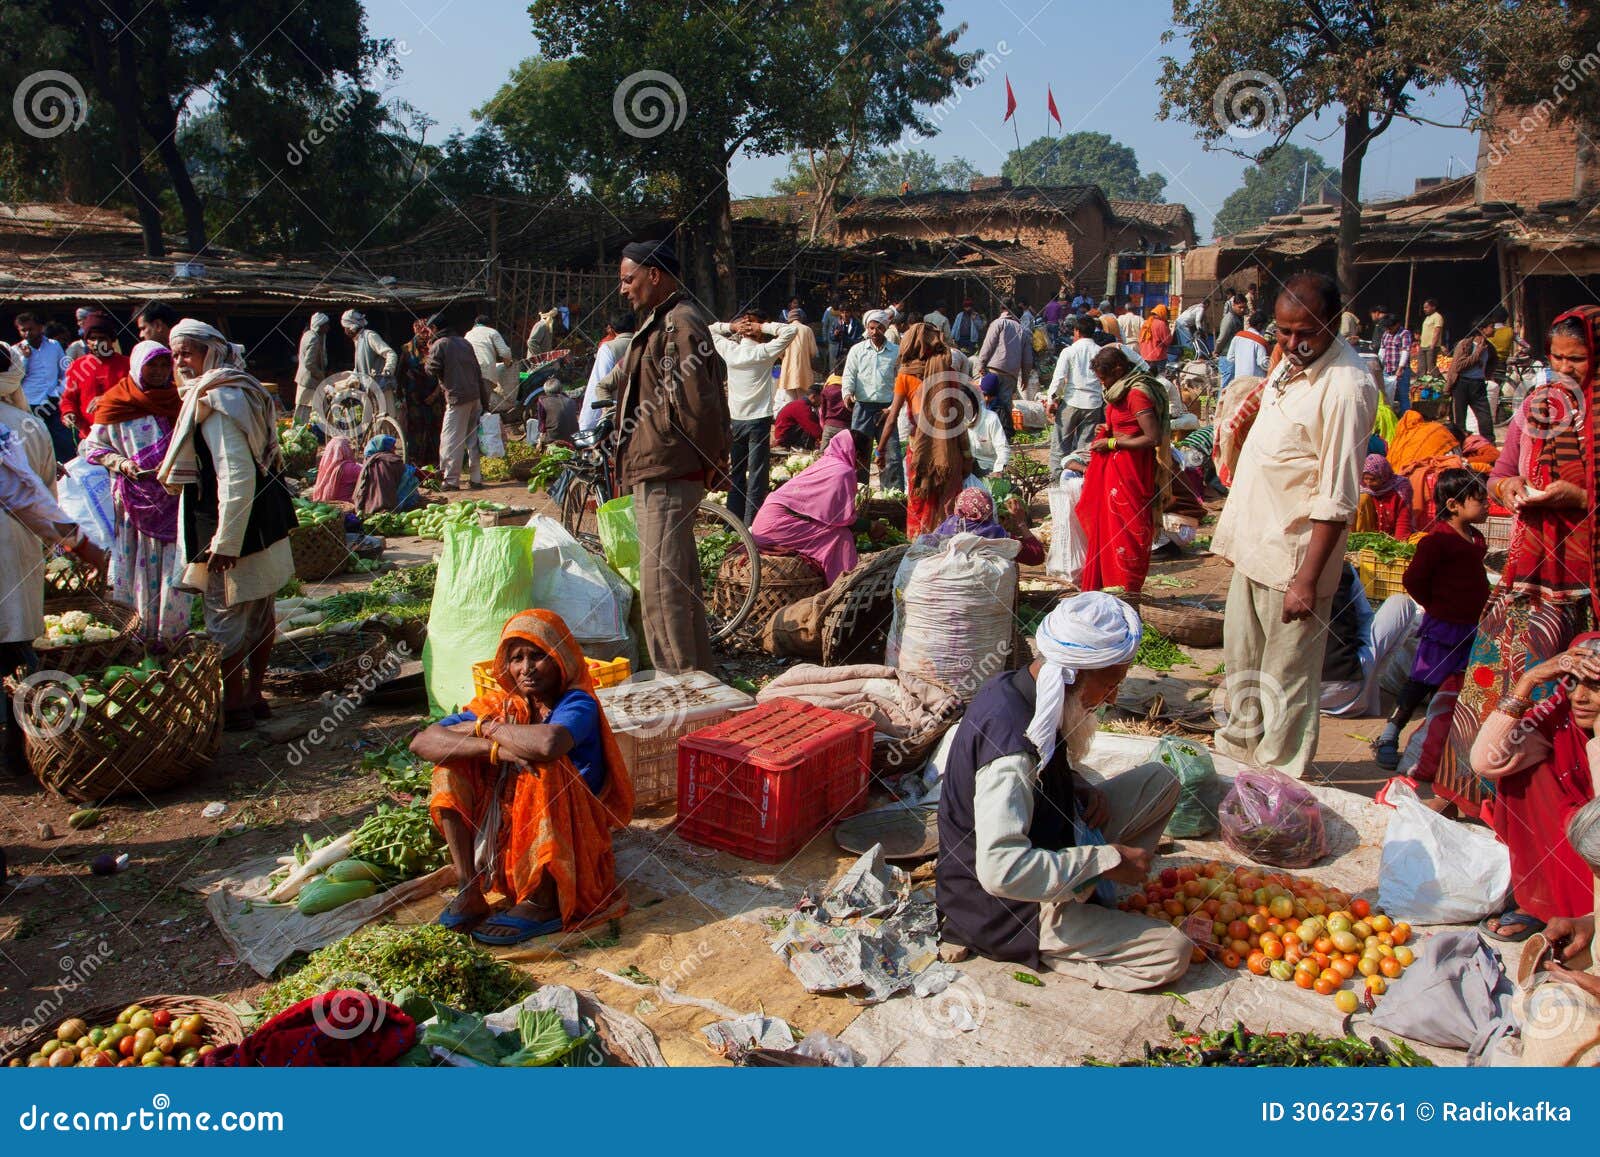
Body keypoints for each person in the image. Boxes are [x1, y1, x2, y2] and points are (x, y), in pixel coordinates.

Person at [935, 593, 1188, 989]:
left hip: (1052, 838)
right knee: (1171, 952)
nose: (1114, 698)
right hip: (1007, 906)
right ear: (1075, 674)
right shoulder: (1011, 754)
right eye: (1111, 684)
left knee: (1160, 780)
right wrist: (1104, 860)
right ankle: (1065, 938)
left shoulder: (1024, 685)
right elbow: (1001, 872)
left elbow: (1048, 757)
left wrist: (1076, 784)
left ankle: (1096, 901)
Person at [1431, 307, 1600, 817]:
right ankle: (1471, 791)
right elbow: (1502, 471)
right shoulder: (1536, 406)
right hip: (1527, 575)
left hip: (1584, 580)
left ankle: (1553, 807)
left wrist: (1581, 496)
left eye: (1578, 359)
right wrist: (1509, 487)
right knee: (1494, 676)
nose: (1564, 369)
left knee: (1571, 692)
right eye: (1556, 357)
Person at [1211, 271, 1378, 778]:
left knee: (1285, 678)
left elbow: (1337, 495)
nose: (1289, 342)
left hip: (1294, 559)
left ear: (1332, 323)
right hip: (1255, 546)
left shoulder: (1347, 386)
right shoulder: (1289, 364)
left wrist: (1307, 579)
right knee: (1242, 664)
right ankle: (1238, 753)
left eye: (1302, 332)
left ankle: (1278, 774)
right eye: (1282, 332)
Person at [413, 610, 634, 944]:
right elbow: (423, 740)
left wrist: (487, 728)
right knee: (450, 767)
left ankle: (542, 902)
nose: (526, 669)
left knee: (543, 769)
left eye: (538, 656)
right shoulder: (503, 704)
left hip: (571, 834)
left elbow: (548, 743)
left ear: (561, 658)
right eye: (516, 658)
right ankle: (469, 888)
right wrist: (494, 749)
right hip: (512, 828)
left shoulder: (577, 702)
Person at [157, 319, 296, 731]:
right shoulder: (235, 390)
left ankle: (235, 702)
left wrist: (226, 541)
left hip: (236, 526)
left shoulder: (218, 402)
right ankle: (254, 696)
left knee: (227, 613)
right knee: (257, 607)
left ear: (210, 353)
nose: (180, 361)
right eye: (176, 353)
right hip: (261, 520)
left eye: (188, 352)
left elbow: (236, 475)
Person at [609, 237, 728, 675]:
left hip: (668, 470)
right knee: (678, 582)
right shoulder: (666, 322)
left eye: (629, 279)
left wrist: (711, 461)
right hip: (658, 467)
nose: (624, 289)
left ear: (653, 275)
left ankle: (679, 688)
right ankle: (700, 683)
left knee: (662, 589)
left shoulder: (680, 323)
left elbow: (699, 402)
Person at [0, 364, 109, 774]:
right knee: (14, 650)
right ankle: (19, 749)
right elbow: (38, 498)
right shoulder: (23, 425)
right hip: (12, 548)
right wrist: (82, 546)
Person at [1468, 636, 1600, 943]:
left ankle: (1586, 918)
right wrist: (1529, 680)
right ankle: (1543, 903)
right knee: (1526, 772)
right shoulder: (1559, 721)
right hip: (1573, 849)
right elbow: (1486, 761)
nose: (1579, 697)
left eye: (1595, 687)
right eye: (1573, 683)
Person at [1374, 469, 1491, 769]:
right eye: (1480, 501)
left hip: (1470, 627)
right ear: (1454, 505)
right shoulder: (1436, 541)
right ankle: (1389, 735)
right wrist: (1437, 607)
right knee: (1422, 683)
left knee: (1458, 688)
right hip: (1443, 628)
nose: (1487, 506)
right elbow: (1413, 580)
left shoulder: (1476, 540)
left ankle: (1441, 748)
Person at [78, 341, 193, 644]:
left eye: (163, 364)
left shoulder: (177, 401)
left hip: (172, 497)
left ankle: (169, 636)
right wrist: (122, 463)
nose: (158, 371)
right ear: (137, 366)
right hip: (133, 501)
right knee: (138, 565)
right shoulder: (116, 402)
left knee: (173, 564)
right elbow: (91, 446)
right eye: (151, 365)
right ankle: (137, 635)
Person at [1076, 346, 1170, 596]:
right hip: (1115, 470)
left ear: (1119, 370)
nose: (1103, 383)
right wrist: (1107, 430)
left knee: (1128, 531)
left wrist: (1112, 442)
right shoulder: (1118, 392)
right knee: (1109, 528)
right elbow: (1124, 425)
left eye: (1104, 377)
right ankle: (1108, 587)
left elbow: (1152, 438)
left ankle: (1126, 591)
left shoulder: (1137, 394)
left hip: (1131, 472)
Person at [750, 431, 880, 584]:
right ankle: (843, 588)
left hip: (767, 520)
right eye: (865, 457)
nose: (865, 463)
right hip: (777, 525)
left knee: (837, 533)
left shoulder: (827, 462)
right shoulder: (843, 471)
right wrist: (870, 526)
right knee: (840, 536)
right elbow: (840, 519)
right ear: (857, 453)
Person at [710, 308, 800, 524]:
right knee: (757, 476)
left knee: (737, 473)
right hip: (758, 420)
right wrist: (764, 327)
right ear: (758, 334)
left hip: (736, 420)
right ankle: (753, 523)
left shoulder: (731, 351)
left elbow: (710, 330)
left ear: (741, 333)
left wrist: (730, 327)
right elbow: (790, 331)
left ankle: (733, 524)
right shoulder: (764, 352)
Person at [880, 324, 967, 535]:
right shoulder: (949, 372)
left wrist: (880, 449)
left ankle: (918, 544)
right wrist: (967, 453)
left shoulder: (905, 376)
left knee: (919, 499)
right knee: (946, 502)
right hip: (949, 450)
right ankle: (947, 544)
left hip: (919, 448)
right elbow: (959, 417)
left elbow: (891, 419)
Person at [842, 310, 902, 490]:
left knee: (892, 455)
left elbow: (900, 380)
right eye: (872, 328)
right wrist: (847, 393)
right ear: (867, 328)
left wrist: (893, 407)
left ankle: (891, 497)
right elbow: (849, 375)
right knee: (860, 454)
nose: (875, 332)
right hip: (862, 407)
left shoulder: (896, 352)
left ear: (885, 328)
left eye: (879, 328)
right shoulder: (857, 350)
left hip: (886, 410)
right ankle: (859, 494)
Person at [425, 318, 486, 491]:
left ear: (434, 328)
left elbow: (431, 370)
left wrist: (429, 352)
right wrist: (484, 401)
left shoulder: (440, 344)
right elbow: (477, 371)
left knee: (451, 440)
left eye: (429, 329)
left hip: (457, 399)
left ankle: (451, 480)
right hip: (474, 396)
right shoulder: (464, 343)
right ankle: (476, 478)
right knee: (472, 440)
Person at [12, 311, 75, 464]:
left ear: (40, 327)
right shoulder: (16, 351)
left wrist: (62, 392)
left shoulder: (54, 346)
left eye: (30, 329)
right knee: (37, 444)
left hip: (53, 401)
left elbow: (64, 371)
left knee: (64, 442)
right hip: (31, 404)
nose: (27, 333)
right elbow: (15, 379)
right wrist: (25, 359)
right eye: (23, 330)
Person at [927, 486, 1045, 566]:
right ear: (988, 508)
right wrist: (1021, 522)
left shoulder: (947, 526)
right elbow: (1037, 556)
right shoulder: (995, 533)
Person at [1046, 315, 1105, 473]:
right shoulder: (1100, 352)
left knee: (1060, 446)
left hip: (1071, 402)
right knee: (1084, 450)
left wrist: (1052, 400)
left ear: (1077, 331)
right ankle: (1080, 481)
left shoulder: (1069, 351)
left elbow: (1058, 379)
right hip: (1093, 404)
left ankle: (1057, 481)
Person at [60, 312, 128, 440]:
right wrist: (68, 412)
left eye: (102, 338)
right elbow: (68, 398)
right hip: (89, 437)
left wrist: (107, 399)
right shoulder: (77, 367)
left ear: (111, 339)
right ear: (86, 340)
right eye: (92, 339)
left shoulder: (127, 365)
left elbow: (135, 396)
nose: (97, 343)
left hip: (123, 436)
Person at [977, 300, 1033, 438]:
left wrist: (981, 364)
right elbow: (1027, 359)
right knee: (1005, 404)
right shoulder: (1023, 330)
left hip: (993, 370)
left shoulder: (998, 323)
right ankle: (1004, 435)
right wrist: (1025, 377)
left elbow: (988, 345)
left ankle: (988, 435)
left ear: (1002, 309)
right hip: (1011, 374)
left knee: (987, 401)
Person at [580, 312, 634, 433]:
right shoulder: (645, 344)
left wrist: (586, 426)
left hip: (617, 416)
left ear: (612, 329)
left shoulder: (608, 348)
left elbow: (599, 383)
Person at [1445, 316, 1497, 441]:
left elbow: (1491, 363)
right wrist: (1476, 354)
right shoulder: (1465, 344)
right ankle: (1459, 445)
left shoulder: (1489, 347)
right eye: (1491, 327)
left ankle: (1489, 444)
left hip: (1478, 384)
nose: (1494, 330)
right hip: (1461, 384)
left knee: (1485, 418)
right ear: (1481, 329)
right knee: (1459, 420)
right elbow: (1458, 366)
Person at [398, 318, 440, 468]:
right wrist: (401, 396)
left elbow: (444, 373)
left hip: (435, 396)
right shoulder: (407, 349)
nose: (423, 334)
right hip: (414, 397)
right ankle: (415, 463)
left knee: (435, 428)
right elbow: (400, 374)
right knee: (415, 429)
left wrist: (435, 394)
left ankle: (436, 461)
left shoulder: (437, 347)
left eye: (426, 331)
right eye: (420, 331)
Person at [1354, 453, 1414, 538]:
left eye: (1372, 479)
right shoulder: (1363, 489)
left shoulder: (1400, 489)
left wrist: (1399, 543)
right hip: (1370, 537)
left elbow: (1403, 519)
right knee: (1361, 499)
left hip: (1393, 536)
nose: (1368, 483)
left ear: (1384, 476)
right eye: (1365, 478)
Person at [342, 310, 398, 398]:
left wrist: (387, 372)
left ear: (351, 327)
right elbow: (359, 369)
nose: (345, 330)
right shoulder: (358, 340)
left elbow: (391, 354)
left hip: (382, 388)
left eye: (346, 327)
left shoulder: (369, 336)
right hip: (370, 391)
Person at [352, 435, 411, 515]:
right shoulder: (393, 461)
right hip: (388, 507)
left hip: (364, 508)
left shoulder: (367, 461)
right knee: (410, 479)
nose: (395, 449)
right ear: (384, 447)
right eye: (392, 447)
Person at [465, 314, 515, 407]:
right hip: (485, 370)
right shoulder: (492, 332)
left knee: (472, 404)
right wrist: (508, 363)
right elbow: (505, 352)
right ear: (488, 325)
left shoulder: (468, 334)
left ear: (475, 324)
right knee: (483, 404)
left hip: (468, 371)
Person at [292, 312, 330, 425]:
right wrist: (321, 375)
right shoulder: (314, 339)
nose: (328, 328)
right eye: (326, 325)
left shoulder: (308, 334)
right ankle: (299, 434)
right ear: (320, 325)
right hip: (310, 380)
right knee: (304, 410)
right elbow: (309, 363)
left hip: (305, 379)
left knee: (304, 409)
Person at [775, 305, 819, 403]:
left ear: (789, 319)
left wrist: (785, 358)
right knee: (803, 402)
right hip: (804, 371)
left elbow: (779, 352)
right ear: (800, 318)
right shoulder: (807, 330)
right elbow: (813, 352)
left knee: (789, 403)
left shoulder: (784, 330)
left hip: (788, 372)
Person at [967, 390, 1011, 477]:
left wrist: (998, 471)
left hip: (988, 468)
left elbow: (1002, 447)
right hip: (967, 469)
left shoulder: (990, 418)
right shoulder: (958, 421)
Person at [309, 435, 361, 504]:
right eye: (349, 447)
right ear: (345, 449)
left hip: (326, 504)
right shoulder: (349, 468)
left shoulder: (326, 465)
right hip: (345, 504)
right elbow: (369, 473)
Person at [1378, 313, 1414, 409]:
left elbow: (1405, 351)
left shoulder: (1404, 334)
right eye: (1387, 328)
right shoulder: (1386, 334)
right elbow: (1382, 350)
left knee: (1403, 396)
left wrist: (1401, 368)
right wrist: (1379, 365)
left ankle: (1405, 419)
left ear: (1397, 324)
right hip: (1387, 369)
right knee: (1385, 395)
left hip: (1401, 370)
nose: (1388, 330)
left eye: (1390, 328)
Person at [773, 383, 823, 450]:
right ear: (813, 396)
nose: (822, 401)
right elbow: (813, 428)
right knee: (809, 427)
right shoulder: (801, 406)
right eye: (821, 398)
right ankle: (804, 448)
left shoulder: (801, 404)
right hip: (783, 438)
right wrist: (825, 438)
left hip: (786, 434)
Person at [533, 382, 579, 447]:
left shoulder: (542, 401)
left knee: (531, 424)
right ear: (560, 389)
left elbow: (542, 426)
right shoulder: (570, 400)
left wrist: (539, 442)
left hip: (553, 439)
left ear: (546, 391)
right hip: (573, 437)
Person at [1419, 298, 1444, 376]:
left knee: (1431, 367)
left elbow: (1437, 332)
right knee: (1422, 367)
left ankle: (1441, 383)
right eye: (1424, 307)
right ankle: (1420, 383)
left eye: (1426, 307)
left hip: (1431, 346)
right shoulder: (1427, 317)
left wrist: (1432, 345)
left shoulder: (1437, 317)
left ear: (1433, 307)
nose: (1424, 309)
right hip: (1423, 345)